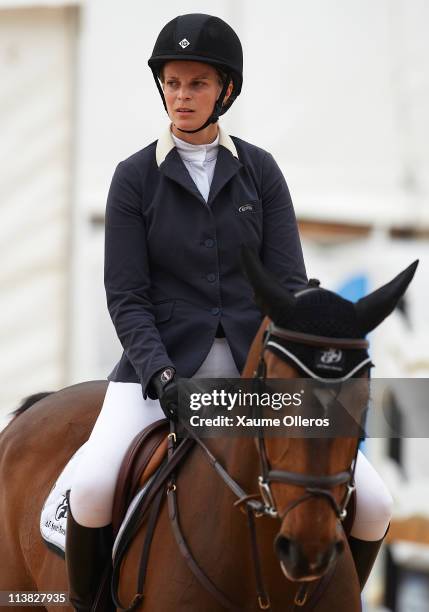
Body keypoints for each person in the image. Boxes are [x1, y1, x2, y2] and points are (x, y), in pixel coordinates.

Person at [65, 13, 391, 611]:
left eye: (196, 84)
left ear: (226, 91)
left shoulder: (261, 172)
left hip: (257, 376)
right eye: (172, 83)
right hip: (156, 374)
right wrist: (161, 375)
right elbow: (127, 297)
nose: (182, 96)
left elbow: (288, 288)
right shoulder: (133, 179)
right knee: (87, 488)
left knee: (373, 503)